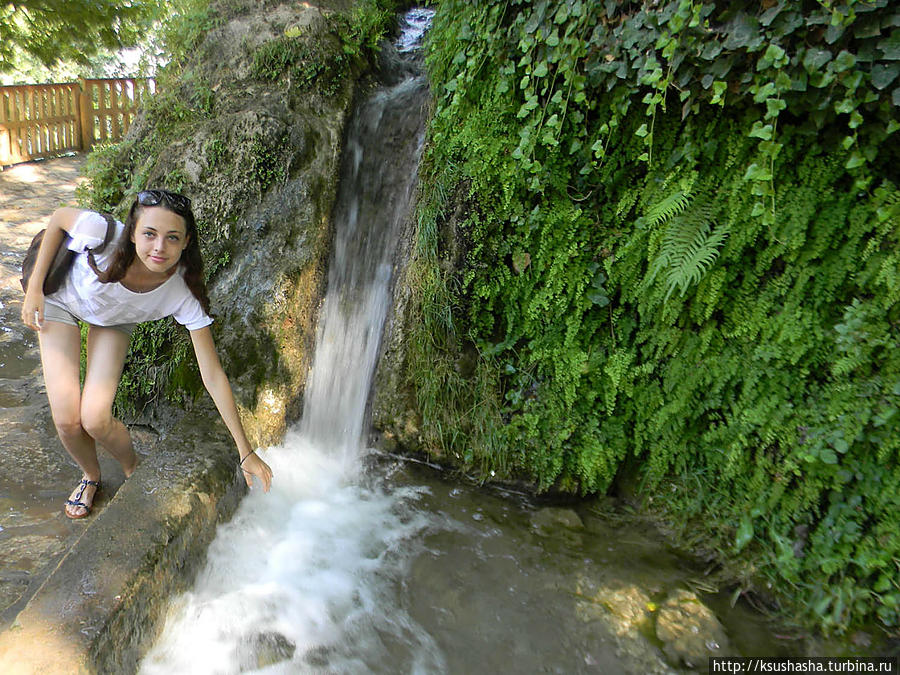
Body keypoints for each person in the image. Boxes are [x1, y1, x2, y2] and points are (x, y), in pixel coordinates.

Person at [20, 189, 272, 518]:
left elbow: (212, 374)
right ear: (133, 231)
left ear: (186, 242)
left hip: (114, 320)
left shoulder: (183, 292)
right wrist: (35, 289)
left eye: (172, 238)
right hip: (59, 302)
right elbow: (58, 220)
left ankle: (131, 468)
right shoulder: (100, 232)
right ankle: (91, 476)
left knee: (95, 418)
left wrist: (245, 451)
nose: (159, 248)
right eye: (149, 234)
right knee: (67, 420)